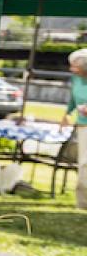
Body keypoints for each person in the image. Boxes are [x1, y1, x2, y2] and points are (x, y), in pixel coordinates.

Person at [59, 48, 87, 208]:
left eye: (74, 66)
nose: (71, 69)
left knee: (85, 163)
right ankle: (82, 203)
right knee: (83, 163)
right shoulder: (76, 79)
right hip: (82, 125)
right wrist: (67, 113)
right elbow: (73, 97)